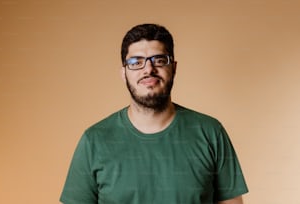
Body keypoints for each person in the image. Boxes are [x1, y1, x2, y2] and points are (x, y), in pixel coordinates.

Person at [60, 23, 248, 204]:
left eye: (159, 60)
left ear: (173, 68)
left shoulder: (210, 133)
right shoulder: (95, 141)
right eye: (136, 62)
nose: (148, 69)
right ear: (124, 73)